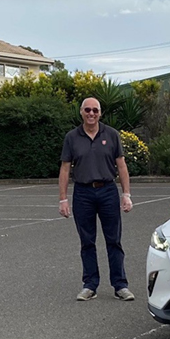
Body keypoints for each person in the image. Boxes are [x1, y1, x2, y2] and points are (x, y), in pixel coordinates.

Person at [59, 97, 135, 302]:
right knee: (87, 242)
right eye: (87, 110)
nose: (91, 114)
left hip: (107, 191)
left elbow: (121, 166)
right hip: (83, 193)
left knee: (114, 240)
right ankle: (90, 285)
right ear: (81, 112)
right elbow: (65, 169)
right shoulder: (72, 137)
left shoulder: (111, 135)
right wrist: (63, 199)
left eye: (95, 110)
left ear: (100, 113)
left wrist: (126, 194)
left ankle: (120, 285)